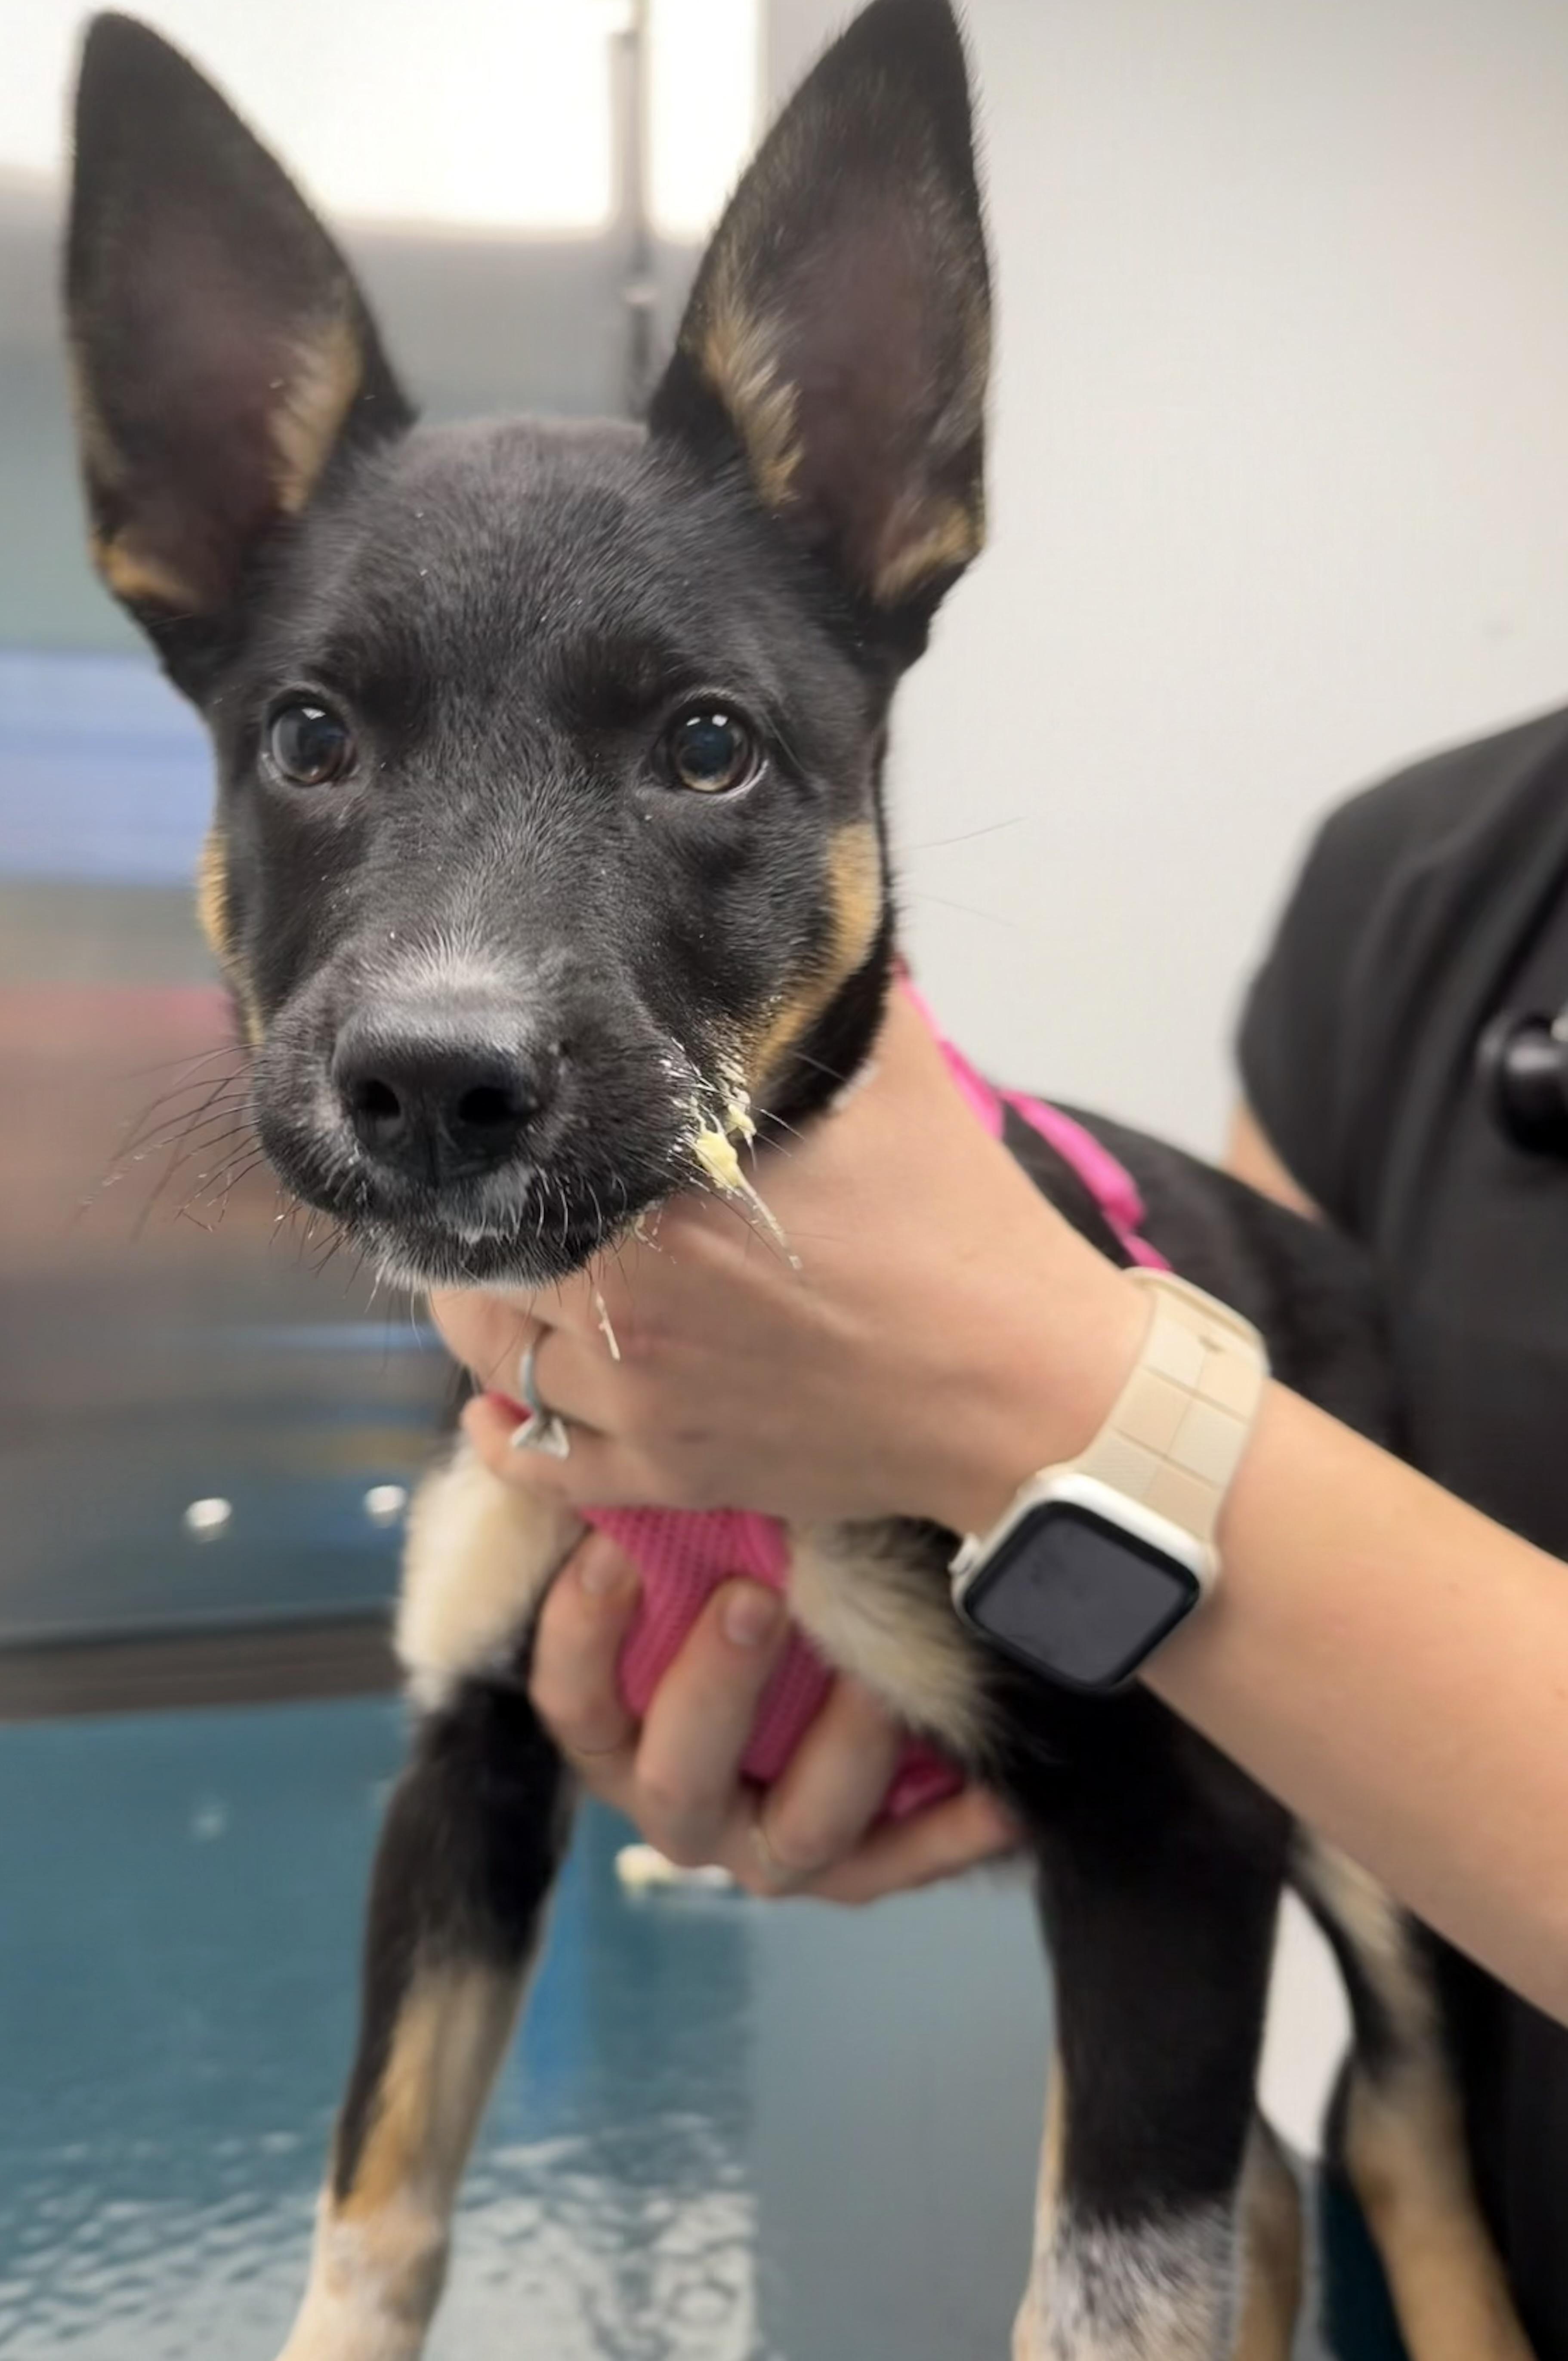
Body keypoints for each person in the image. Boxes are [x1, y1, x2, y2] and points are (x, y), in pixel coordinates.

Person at [432, 700, 1568, 2358]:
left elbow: (1181, 1517)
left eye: (698, 752)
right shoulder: (1408, 885)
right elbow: (1254, 1570)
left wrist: (1029, 1408)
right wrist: (919, 1689)